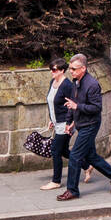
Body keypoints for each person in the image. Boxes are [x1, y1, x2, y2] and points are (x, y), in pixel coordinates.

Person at [56, 54, 111, 202]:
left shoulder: (92, 84)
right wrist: (69, 122)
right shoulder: (76, 82)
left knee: (74, 156)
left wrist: (77, 107)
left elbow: (96, 108)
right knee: (91, 156)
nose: (71, 72)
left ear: (83, 68)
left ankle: (72, 190)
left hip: (90, 125)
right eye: (70, 69)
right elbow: (72, 103)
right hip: (81, 123)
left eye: (74, 69)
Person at [40, 57, 73, 191]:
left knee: (55, 150)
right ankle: (87, 166)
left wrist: (70, 123)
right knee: (64, 151)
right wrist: (51, 119)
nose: (52, 72)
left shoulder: (67, 86)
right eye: (51, 69)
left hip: (65, 123)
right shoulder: (52, 82)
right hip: (57, 121)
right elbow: (53, 103)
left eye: (54, 70)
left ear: (62, 71)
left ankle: (56, 181)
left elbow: (72, 105)